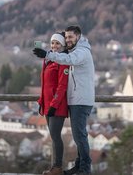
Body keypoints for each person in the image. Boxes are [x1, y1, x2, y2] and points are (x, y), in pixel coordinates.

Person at [33, 25, 95, 175]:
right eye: (66, 37)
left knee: (79, 136)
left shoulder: (81, 52)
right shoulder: (74, 51)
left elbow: (68, 60)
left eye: (70, 37)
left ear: (78, 37)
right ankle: (79, 167)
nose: (68, 40)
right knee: (78, 135)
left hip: (81, 100)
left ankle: (84, 170)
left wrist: (48, 54)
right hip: (75, 100)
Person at [36, 32, 70, 175]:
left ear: (62, 46)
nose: (54, 46)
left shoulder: (63, 61)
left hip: (57, 106)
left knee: (56, 136)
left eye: (57, 43)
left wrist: (54, 105)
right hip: (47, 105)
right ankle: (54, 168)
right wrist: (41, 102)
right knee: (53, 136)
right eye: (52, 43)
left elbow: (62, 86)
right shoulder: (47, 60)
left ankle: (57, 168)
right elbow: (45, 85)